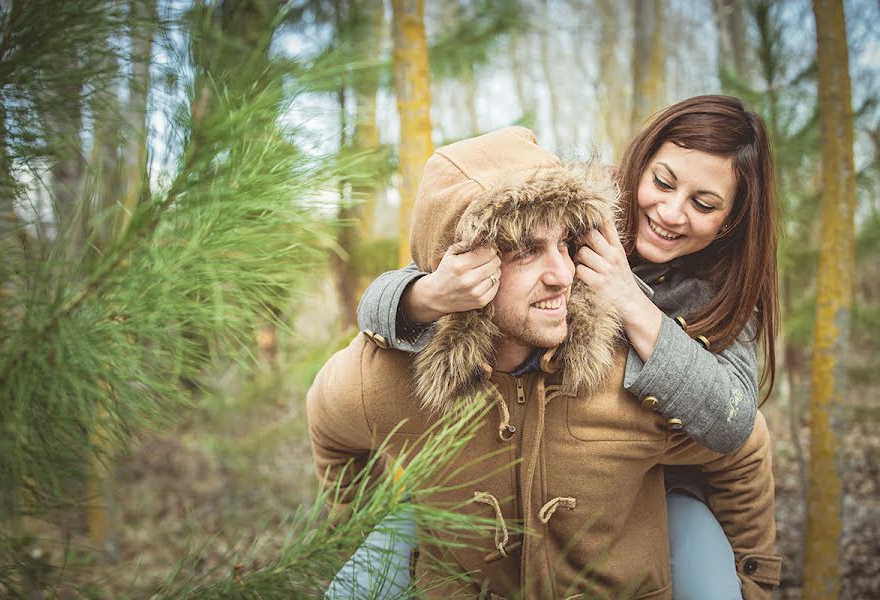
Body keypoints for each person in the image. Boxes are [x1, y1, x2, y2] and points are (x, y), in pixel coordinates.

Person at [308, 125, 781, 599]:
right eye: (525, 248)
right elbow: (333, 412)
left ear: (730, 221)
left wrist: (754, 581)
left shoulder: (704, 304)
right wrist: (423, 297)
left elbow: (736, 430)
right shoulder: (389, 373)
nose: (671, 212)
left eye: (703, 204)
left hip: (666, 487)